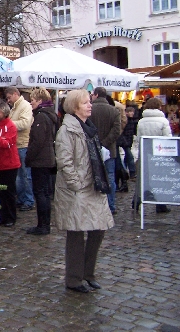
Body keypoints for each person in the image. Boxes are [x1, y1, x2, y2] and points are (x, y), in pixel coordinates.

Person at [55, 89, 114, 293]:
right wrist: (76, 184)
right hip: (77, 189)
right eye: (85, 103)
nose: (90, 105)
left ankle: (88, 273)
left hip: (94, 186)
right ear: (74, 107)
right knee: (76, 233)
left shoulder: (89, 127)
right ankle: (74, 279)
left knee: (99, 228)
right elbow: (65, 162)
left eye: (89, 102)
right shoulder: (67, 131)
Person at [25, 87, 58, 235]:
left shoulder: (41, 117)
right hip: (47, 159)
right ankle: (44, 224)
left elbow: (37, 141)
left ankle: (43, 225)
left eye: (32, 100)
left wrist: (29, 157)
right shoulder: (49, 115)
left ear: (39, 100)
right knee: (44, 193)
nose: (31, 103)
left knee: (41, 193)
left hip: (40, 161)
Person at [135, 97, 172, 213]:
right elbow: (168, 139)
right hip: (159, 154)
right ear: (159, 107)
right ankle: (160, 204)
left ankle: (137, 200)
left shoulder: (141, 121)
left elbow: (139, 139)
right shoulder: (163, 121)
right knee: (159, 179)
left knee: (143, 178)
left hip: (145, 153)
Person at [90, 87, 121, 215]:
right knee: (110, 177)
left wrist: (98, 143)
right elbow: (117, 130)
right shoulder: (114, 111)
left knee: (92, 177)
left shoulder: (90, 110)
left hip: (92, 148)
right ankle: (110, 205)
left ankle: (95, 206)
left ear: (96, 95)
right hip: (109, 149)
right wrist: (106, 142)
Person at [0, 100, 21, 227]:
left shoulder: (10, 126)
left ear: (5, 112)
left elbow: (7, 143)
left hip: (9, 165)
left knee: (9, 192)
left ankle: (11, 217)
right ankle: (1, 216)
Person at [4, 86, 34, 211]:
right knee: (19, 175)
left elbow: (25, 123)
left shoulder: (25, 106)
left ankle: (28, 200)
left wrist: (8, 124)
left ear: (15, 94)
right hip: (16, 145)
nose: (8, 100)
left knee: (25, 175)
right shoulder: (15, 107)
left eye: (9, 97)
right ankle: (22, 198)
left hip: (23, 145)